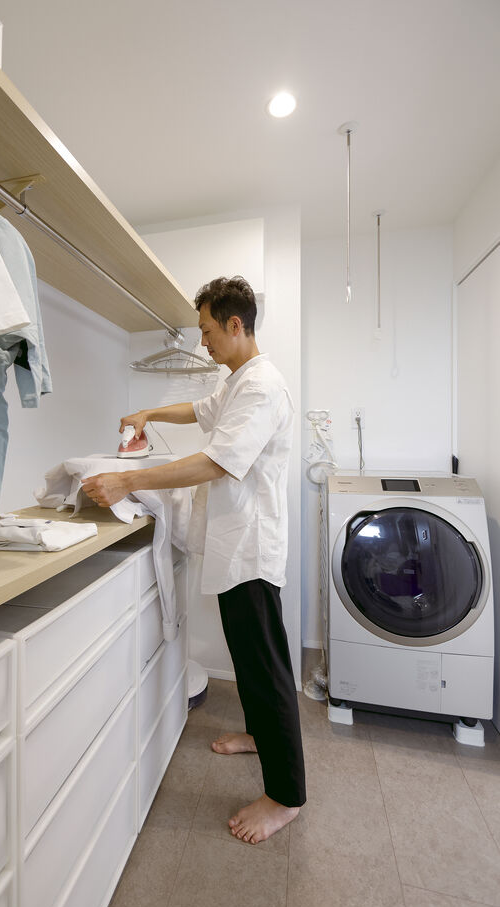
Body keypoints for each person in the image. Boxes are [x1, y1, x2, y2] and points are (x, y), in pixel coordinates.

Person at [81, 276, 306, 844]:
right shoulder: (237, 382)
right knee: (249, 655)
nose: (202, 342)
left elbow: (213, 462)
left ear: (235, 325)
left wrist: (128, 478)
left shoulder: (263, 389)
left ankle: (285, 796)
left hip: (251, 548)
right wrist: (147, 414)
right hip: (236, 547)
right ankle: (257, 734)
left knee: (267, 664)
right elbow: (198, 410)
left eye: (207, 330)